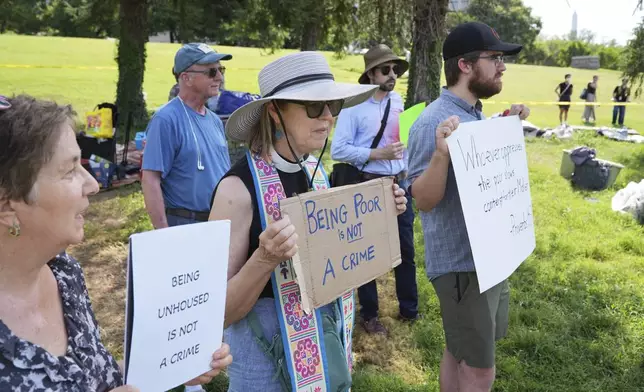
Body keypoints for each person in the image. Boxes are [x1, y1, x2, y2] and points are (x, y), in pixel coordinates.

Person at [0, 94, 232, 392]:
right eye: (70, 170)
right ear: (7, 205)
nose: (93, 185)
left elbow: (91, 377)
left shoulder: (64, 273)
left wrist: (167, 364)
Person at [209, 51, 409, 392]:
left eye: (332, 105)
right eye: (315, 107)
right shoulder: (235, 191)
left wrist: (380, 216)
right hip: (263, 367)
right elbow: (218, 313)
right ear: (275, 112)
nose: (328, 116)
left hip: (322, 348)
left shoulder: (316, 176)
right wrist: (265, 259)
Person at [407, 22, 531, 392]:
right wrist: (441, 154)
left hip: (488, 260)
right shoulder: (432, 121)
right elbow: (423, 199)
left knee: (458, 348)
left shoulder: (474, 114)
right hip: (462, 266)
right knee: (480, 371)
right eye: (494, 58)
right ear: (464, 65)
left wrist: (503, 129)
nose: (502, 66)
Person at [331, 44, 418, 336]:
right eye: (385, 69)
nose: (392, 74)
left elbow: (402, 142)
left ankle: (410, 309)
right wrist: (377, 154)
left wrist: (406, 153)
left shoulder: (398, 103)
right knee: (366, 255)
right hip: (368, 185)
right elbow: (339, 149)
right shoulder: (353, 106)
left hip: (400, 183)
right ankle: (369, 315)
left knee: (406, 248)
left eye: (395, 69)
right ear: (370, 74)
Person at [142, 43, 232, 232]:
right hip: (185, 225)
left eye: (220, 69)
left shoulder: (215, 121)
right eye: (211, 71)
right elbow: (150, 180)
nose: (219, 77)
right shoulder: (165, 120)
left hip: (219, 224)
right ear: (186, 78)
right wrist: (163, 233)